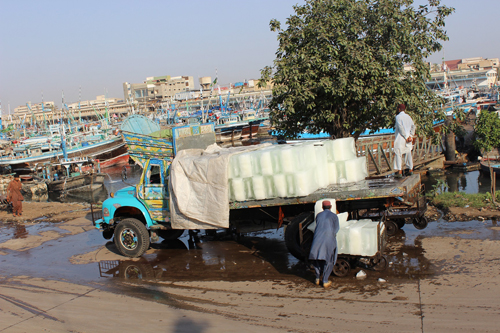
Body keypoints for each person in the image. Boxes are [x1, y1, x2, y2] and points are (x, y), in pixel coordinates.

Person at [308, 200, 340, 288]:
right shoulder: (334, 216)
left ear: (322, 207)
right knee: (329, 260)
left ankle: (317, 278)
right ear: (330, 207)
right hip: (328, 239)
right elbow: (336, 229)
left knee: (317, 258)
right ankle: (325, 280)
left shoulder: (318, 215)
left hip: (317, 239)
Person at [394, 104, 416, 178]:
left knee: (398, 154)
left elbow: (400, 128)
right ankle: (410, 170)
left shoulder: (398, 117)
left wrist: (406, 137)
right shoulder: (408, 117)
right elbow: (413, 126)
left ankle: (399, 171)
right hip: (409, 138)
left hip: (401, 138)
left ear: (399, 109)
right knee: (408, 153)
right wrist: (411, 136)